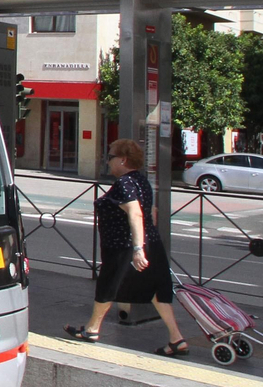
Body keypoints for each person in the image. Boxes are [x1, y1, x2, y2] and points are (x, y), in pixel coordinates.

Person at [65, 139, 190, 355]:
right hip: (151, 242)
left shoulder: (125, 183)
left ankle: (92, 329)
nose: (108, 161)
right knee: (155, 292)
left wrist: (138, 249)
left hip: (123, 247)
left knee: (108, 285)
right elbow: (150, 212)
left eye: (111, 156)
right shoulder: (140, 181)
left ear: (123, 159)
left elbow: (136, 212)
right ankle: (176, 339)